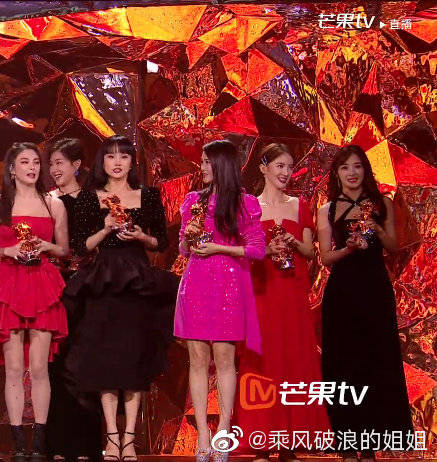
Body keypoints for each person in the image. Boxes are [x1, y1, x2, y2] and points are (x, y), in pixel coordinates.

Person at [65, 135, 178, 462]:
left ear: (132, 162)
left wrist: (140, 235)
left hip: (137, 282)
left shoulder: (149, 195)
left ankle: (129, 439)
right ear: (102, 162)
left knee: (133, 360)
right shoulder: (89, 197)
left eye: (124, 157)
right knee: (106, 362)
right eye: (110, 156)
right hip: (103, 282)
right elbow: (80, 246)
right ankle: (111, 439)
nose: (117, 163)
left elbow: (161, 242)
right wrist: (104, 229)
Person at [316, 145, 413, 462]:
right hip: (342, 295)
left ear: (366, 170)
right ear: (337, 173)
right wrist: (347, 248)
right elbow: (326, 258)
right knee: (343, 367)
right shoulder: (327, 209)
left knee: (375, 364)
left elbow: (393, 245)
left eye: (357, 166)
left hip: (375, 292)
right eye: (345, 167)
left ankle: (369, 448)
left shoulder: (382, 203)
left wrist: (376, 228)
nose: (352, 173)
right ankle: (346, 446)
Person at [234, 144, 328, 462]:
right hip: (261, 294)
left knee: (293, 362)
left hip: (292, 296)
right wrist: (266, 249)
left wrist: (293, 242)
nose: (286, 172)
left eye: (289, 166)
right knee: (263, 363)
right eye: (279, 166)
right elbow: (244, 252)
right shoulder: (249, 208)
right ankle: (261, 441)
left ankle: (289, 443)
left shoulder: (299, 206)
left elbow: (310, 252)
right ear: (263, 168)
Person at [174, 139, 265, 462]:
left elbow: (257, 250)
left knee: (225, 360)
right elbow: (183, 249)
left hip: (228, 286)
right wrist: (189, 237)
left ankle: (223, 431)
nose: (201, 167)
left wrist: (219, 248)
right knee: (197, 360)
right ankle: (203, 435)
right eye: (201, 161)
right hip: (196, 284)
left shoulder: (244, 203)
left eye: (206, 162)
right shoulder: (192, 201)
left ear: (222, 165)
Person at [0, 142, 70, 461]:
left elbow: (64, 250)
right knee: (14, 368)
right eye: (25, 162)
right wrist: (6, 250)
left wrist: (46, 245)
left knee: (40, 367)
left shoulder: (53, 204)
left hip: (42, 285)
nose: (32, 167)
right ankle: (19, 441)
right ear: (12, 169)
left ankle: (39, 440)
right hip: (8, 285)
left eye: (36, 162)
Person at [45, 138, 102, 462]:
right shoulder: (46, 201)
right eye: (51, 164)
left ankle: (87, 446)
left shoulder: (92, 200)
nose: (54, 169)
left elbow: (91, 245)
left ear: (77, 165)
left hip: (87, 288)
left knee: (85, 363)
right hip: (54, 287)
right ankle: (56, 444)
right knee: (55, 362)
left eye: (60, 163)